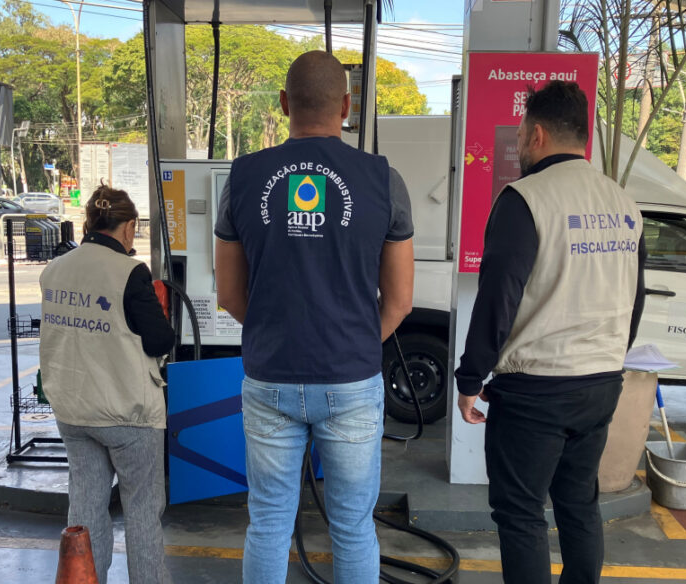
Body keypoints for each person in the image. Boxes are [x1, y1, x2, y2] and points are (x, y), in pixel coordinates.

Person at [213, 50, 415, 584]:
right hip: (351, 379)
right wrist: (354, 343)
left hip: (269, 375)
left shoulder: (242, 177)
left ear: (284, 104)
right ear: (346, 106)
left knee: (268, 523)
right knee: (353, 528)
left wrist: (275, 333)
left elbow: (229, 293)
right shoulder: (383, 180)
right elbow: (399, 301)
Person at [454, 81, 647, 584]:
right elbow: (636, 297)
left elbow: (497, 299)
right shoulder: (623, 203)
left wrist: (471, 378)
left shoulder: (525, 199)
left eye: (520, 133)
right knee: (579, 503)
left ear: (536, 134)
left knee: (520, 513)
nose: (519, 142)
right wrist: (608, 359)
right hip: (601, 385)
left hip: (535, 391)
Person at [39, 184, 175, 584]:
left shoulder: (54, 269)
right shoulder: (130, 272)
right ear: (128, 226)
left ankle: (83, 577)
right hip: (128, 413)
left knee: (85, 508)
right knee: (142, 510)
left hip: (73, 411)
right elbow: (160, 340)